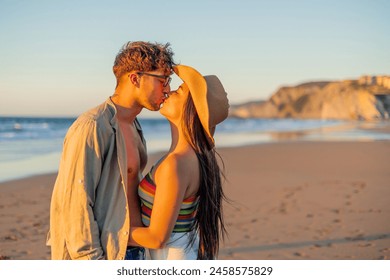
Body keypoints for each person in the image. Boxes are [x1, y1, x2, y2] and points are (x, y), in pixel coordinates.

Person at [47, 41, 175, 260]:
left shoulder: (133, 125)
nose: (167, 89)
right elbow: (75, 203)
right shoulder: (93, 126)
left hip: (131, 248)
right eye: (162, 80)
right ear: (135, 78)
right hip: (104, 254)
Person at [128, 65, 230, 259]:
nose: (170, 91)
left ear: (192, 108)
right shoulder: (192, 158)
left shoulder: (176, 163)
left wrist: (104, 231)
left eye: (180, 90)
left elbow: (156, 238)